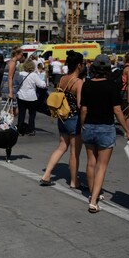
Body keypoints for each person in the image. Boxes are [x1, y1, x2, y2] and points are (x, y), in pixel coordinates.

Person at [80, 54, 129, 213]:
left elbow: (84, 109)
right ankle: (94, 201)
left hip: (89, 126)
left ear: (94, 68)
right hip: (106, 128)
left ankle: (92, 194)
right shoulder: (112, 86)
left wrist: (83, 125)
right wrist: (127, 131)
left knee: (91, 163)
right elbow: (117, 110)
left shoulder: (87, 85)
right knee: (102, 166)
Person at [40, 50, 84, 188]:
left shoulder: (62, 79)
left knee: (61, 147)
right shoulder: (78, 82)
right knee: (74, 152)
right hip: (74, 119)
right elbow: (79, 104)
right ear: (79, 66)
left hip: (62, 118)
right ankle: (73, 181)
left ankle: (46, 174)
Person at [16, 58, 47, 136]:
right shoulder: (34, 75)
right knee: (32, 114)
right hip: (31, 97)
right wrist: (44, 82)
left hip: (21, 96)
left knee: (21, 114)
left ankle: (20, 129)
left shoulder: (20, 74)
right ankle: (31, 129)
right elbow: (41, 85)